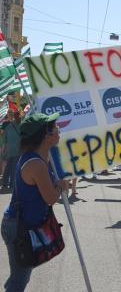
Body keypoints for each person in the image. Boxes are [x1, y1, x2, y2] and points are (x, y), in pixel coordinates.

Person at [1, 112, 69, 292]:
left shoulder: (40, 157)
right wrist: (61, 186)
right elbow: (50, 198)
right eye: (54, 127)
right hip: (19, 227)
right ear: (45, 135)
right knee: (19, 278)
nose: (59, 129)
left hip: (23, 224)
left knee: (21, 273)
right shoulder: (36, 163)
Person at [2, 111, 21, 191]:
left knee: (8, 167)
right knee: (14, 167)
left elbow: (5, 141)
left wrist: (4, 150)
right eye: (19, 117)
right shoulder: (20, 126)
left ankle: (4, 183)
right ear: (17, 117)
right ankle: (12, 184)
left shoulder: (8, 127)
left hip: (10, 150)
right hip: (17, 150)